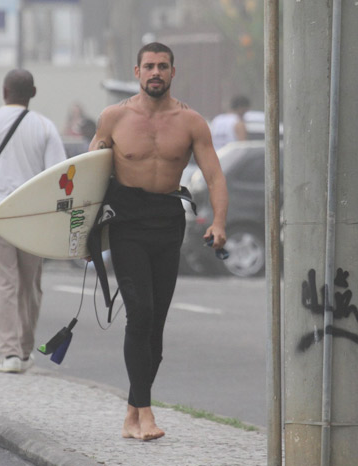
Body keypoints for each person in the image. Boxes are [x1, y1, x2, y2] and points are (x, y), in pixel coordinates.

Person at [87, 42, 228, 441]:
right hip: (126, 222)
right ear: (137, 72)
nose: (156, 73)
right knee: (141, 312)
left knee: (156, 328)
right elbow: (86, 174)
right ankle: (146, 415)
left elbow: (215, 176)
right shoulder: (113, 118)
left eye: (162, 66)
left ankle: (132, 415)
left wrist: (219, 222)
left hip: (168, 223)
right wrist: (81, 232)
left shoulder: (191, 122)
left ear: (172, 72)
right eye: (149, 66)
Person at [0, 69, 67, 374]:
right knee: (30, 285)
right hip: (32, 216)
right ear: (33, 92)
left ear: (4, 91)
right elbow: (58, 176)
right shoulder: (45, 127)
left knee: (2, 285)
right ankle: (25, 348)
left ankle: (9, 354)